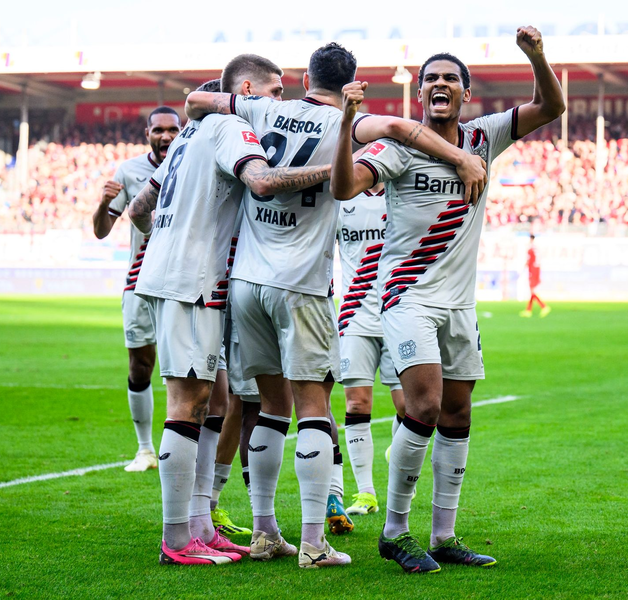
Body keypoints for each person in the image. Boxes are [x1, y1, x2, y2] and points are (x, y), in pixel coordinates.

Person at [185, 42, 488, 569]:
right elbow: (397, 130)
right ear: (353, 81)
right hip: (302, 283)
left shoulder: (265, 108)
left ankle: (262, 532)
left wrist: (224, 106)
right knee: (313, 409)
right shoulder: (350, 123)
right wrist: (460, 154)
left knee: (266, 408)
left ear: (304, 79)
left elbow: (196, 100)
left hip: (247, 281)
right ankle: (313, 543)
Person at [331, 26, 565, 573]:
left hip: (460, 304)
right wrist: (347, 126)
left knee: (458, 412)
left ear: (465, 94)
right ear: (420, 95)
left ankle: (443, 535)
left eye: (450, 79)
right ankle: (394, 531)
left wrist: (535, 55)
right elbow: (345, 187)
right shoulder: (396, 147)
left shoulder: (484, 137)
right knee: (427, 405)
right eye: (430, 78)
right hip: (407, 297)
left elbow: (550, 106)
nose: (440, 84)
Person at [128, 58, 332, 567]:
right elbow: (261, 183)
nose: (281, 102)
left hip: (178, 275)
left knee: (216, 398)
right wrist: (339, 170)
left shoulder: (184, 137)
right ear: (244, 90)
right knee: (189, 403)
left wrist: (170, 235)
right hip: (194, 281)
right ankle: (178, 539)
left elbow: (136, 211)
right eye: (275, 90)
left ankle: (200, 523)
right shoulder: (233, 127)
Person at [91, 107, 181, 472]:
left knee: (188, 370)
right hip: (141, 282)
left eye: (172, 129)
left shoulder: (195, 163)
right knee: (141, 365)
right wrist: (102, 203)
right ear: (147, 133)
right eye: (158, 130)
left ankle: (185, 452)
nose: (165, 136)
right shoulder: (129, 171)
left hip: (184, 282)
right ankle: (145, 450)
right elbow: (101, 230)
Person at [335, 181, 406, 517]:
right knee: (357, 402)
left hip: (399, 312)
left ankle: (401, 450)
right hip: (354, 316)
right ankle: (366, 492)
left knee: (411, 407)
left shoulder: (402, 194)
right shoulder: (341, 198)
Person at [520, 234, 550, 317]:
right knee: (532, 292)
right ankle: (528, 310)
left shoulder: (530, 249)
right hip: (537, 270)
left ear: (530, 239)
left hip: (532, 271)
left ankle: (544, 306)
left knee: (532, 291)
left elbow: (528, 260)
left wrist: (522, 269)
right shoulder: (537, 248)